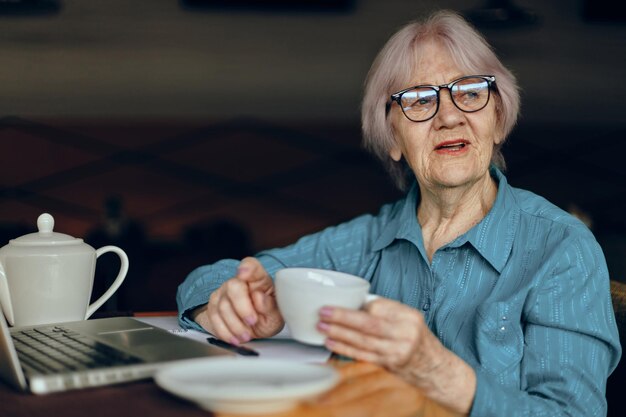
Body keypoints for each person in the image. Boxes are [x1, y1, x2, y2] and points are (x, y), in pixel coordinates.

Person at [176, 10, 621, 416]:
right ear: (392, 137)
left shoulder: (560, 249)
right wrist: (230, 306)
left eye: (470, 92)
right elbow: (208, 279)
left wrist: (439, 372)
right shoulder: (367, 241)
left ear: (499, 119)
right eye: (420, 100)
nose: (449, 116)